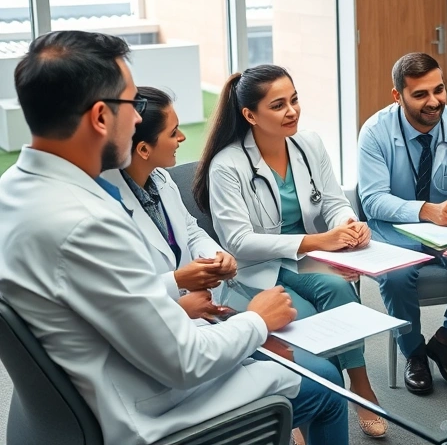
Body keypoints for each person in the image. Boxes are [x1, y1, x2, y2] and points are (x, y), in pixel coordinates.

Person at [0, 30, 348, 445]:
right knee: (325, 384)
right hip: (143, 408)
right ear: (99, 117)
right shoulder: (87, 224)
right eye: (132, 104)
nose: (136, 119)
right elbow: (185, 361)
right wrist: (259, 318)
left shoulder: (13, 191)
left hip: (95, 384)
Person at [194, 65, 386, 437]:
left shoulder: (309, 144)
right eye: (279, 105)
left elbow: (332, 202)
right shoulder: (227, 166)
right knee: (317, 305)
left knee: (338, 289)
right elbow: (238, 241)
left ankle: (359, 387)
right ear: (250, 115)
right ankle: (313, 397)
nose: (292, 111)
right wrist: (318, 241)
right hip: (258, 265)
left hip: (307, 257)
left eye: (294, 100)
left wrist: (348, 223)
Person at [357, 52, 447, 395]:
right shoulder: (375, 132)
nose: (434, 102)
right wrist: (424, 210)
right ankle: (415, 353)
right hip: (395, 228)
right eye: (420, 94)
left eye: (439, 90)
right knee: (397, 276)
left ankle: (444, 339)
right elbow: (372, 200)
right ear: (398, 96)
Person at [101, 87, 236, 318]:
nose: (182, 137)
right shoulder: (105, 208)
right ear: (144, 149)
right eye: (173, 133)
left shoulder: (160, 179)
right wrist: (178, 281)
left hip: (195, 315)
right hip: (153, 325)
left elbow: (191, 231)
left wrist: (215, 256)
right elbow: (116, 296)